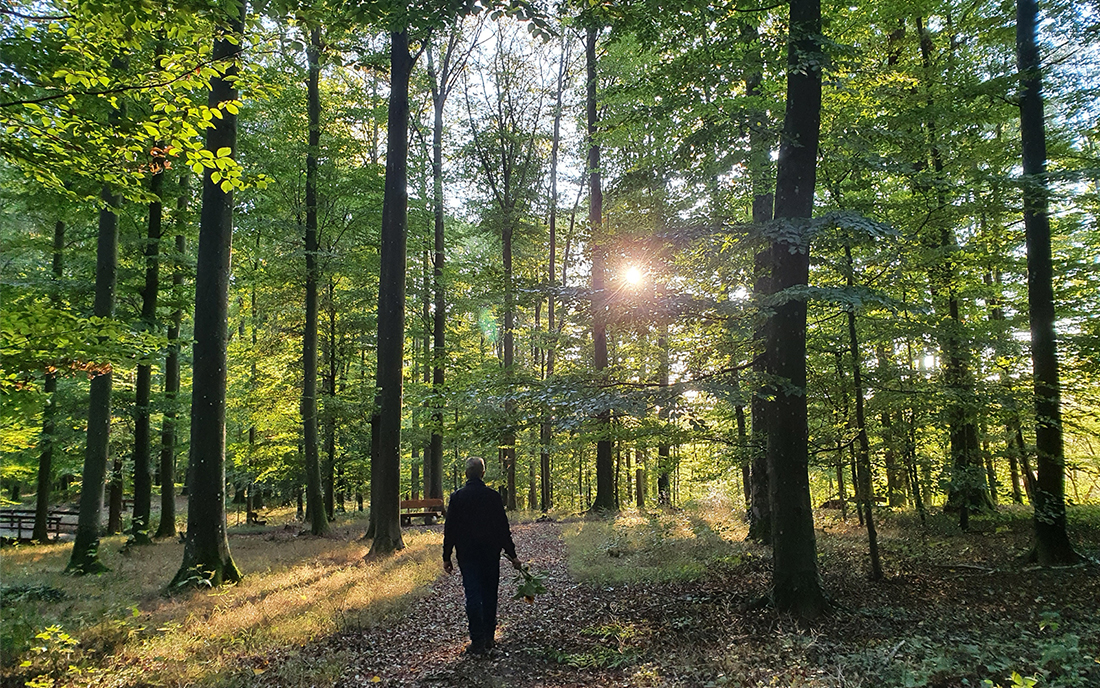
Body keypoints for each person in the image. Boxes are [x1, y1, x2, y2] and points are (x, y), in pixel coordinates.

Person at [443, 456, 523, 655]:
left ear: (466, 474)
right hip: (489, 553)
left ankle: (477, 640)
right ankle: (488, 637)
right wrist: (512, 554)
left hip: (467, 555)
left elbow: (450, 529)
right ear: (483, 473)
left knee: (472, 595)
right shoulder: (493, 496)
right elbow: (503, 528)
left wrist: (447, 556)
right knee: (489, 595)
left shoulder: (457, 497)